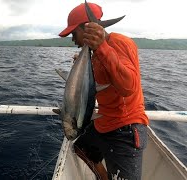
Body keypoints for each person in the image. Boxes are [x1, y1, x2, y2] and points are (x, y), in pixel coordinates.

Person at [58, 2, 149, 180]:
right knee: (81, 147)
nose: (73, 40)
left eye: (73, 33)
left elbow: (128, 87)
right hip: (104, 124)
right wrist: (84, 63)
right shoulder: (93, 54)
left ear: (87, 28)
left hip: (126, 129)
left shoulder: (120, 43)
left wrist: (101, 47)